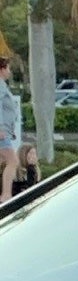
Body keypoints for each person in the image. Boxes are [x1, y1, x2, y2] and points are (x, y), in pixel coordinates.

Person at [0, 58, 21, 202]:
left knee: (3, 159)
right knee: (12, 161)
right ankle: (6, 195)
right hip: (2, 132)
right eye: (8, 68)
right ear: (1, 69)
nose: (9, 71)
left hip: (6, 131)